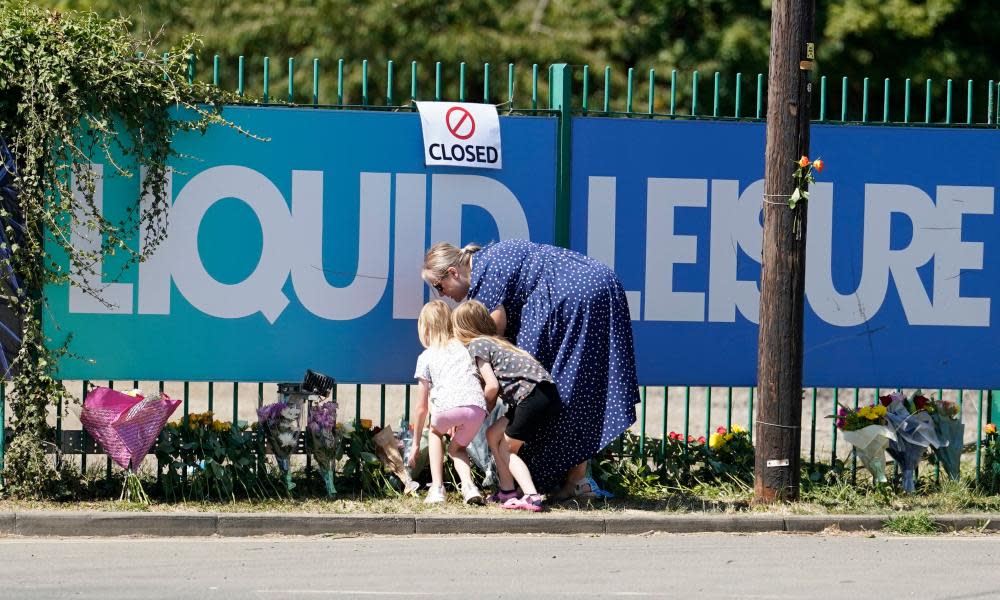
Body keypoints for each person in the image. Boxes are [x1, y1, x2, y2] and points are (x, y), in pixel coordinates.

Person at [422, 240, 640, 499]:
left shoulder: (483, 278)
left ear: (453, 273)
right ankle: (577, 480)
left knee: (553, 391)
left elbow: (493, 336)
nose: (443, 294)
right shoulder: (491, 258)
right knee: (583, 387)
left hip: (572, 297)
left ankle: (527, 482)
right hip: (602, 285)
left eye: (439, 286)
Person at [452, 300, 561, 512]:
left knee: (507, 448)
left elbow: (491, 386)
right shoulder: (496, 342)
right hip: (541, 393)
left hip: (530, 397)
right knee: (493, 434)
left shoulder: (477, 346)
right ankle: (507, 491)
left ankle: (531, 496)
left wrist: (481, 414)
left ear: (462, 329)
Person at [408, 299, 488, 504]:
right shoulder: (465, 347)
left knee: (435, 432)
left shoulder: (426, 356)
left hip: (445, 410)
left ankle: (437, 488)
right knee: (457, 449)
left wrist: (416, 443)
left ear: (425, 328)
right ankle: (469, 487)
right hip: (476, 409)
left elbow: (421, 408)